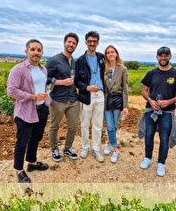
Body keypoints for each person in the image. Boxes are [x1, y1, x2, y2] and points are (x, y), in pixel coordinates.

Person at [138, 46, 176, 177]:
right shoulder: (151, 73)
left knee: (164, 138)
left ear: (170, 56)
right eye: (161, 55)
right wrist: (150, 100)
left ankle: (161, 163)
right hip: (151, 110)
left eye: (166, 55)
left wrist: (169, 102)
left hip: (168, 112)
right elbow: (144, 91)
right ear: (157, 57)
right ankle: (148, 158)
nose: (163, 58)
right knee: (148, 135)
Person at [7, 39, 49, 183]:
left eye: (39, 50)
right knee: (22, 142)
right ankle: (19, 171)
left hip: (41, 109)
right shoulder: (18, 69)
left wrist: (45, 99)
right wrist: (33, 97)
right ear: (27, 52)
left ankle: (31, 162)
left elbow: (43, 87)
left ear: (42, 53)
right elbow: (11, 91)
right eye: (33, 50)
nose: (36, 53)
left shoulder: (44, 69)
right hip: (25, 111)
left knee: (36, 138)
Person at [45, 32, 80, 162]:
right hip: (57, 99)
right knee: (55, 126)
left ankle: (67, 148)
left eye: (74, 43)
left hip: (73, 99)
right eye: (69, 42)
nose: (71, 45)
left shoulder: (75, 63)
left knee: (73, 126)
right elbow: (45, 78)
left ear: (76, 46)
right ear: (64, 43)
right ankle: (54, 149)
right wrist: (60, 82)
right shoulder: (54, 60)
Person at [75, 31, 105, 162]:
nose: (92, 44)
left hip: (100, 95)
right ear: (86, 43)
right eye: (90, 41)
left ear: (97, 43)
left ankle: (96, 149)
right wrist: (87, 87)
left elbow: (113, 68)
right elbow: (76, 81)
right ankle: (85, 147)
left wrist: (124, 76)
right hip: (86, 96)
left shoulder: (102, 58)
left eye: (95, 41)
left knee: (98, 124)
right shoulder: (80, 61)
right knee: (85, 124)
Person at [102, 45, 128, 163]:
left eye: (112, 52)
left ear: (116, 53)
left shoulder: (122, 69)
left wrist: (125, 106)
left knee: (114, 124)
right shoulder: (103, 68)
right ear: (106, 55)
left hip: (118, 100)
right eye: (108, 53)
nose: (110, 54)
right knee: (110, 125)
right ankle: (116, 148)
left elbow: (125, 88)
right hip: (106, 100)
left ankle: (108, 141)